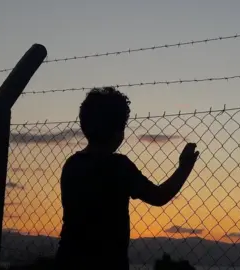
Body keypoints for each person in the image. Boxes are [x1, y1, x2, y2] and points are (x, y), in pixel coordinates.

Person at [55, 87, 199, 270]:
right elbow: (159, 196)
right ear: (118, 132)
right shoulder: (119, 167)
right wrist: (184, 168)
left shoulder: (72, 165)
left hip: (68, 259)